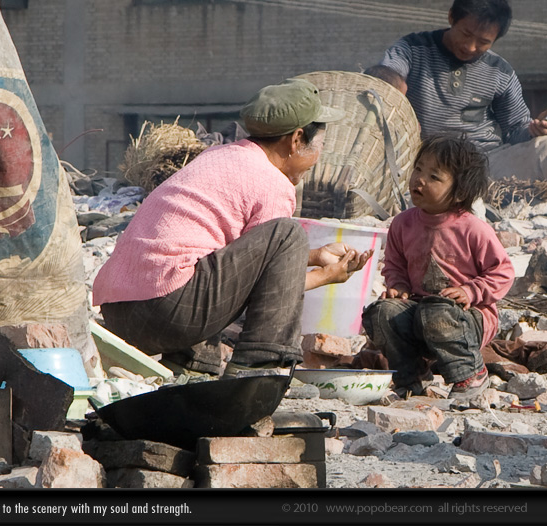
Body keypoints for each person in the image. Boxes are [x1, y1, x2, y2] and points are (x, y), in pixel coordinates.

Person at [93, 78, 373, 378]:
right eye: (319, 146)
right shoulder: (272, 183)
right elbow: (268, 286)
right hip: (167, 312)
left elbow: (245, 259)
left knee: (205, 255)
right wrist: (327, 276)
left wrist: (316, 255)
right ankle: (259, 368)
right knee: (288, 234)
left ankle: (192, 366)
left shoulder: (218, 156)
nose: (316, 160)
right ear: (296, 140)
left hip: (119, 313)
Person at [361, 134, 515, 400]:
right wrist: (398, 287)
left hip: (466, 318)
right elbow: (394, 266)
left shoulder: (473, 229)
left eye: (434, 177)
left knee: (437, 312)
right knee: (380, 313)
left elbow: (503, 271)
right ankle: (410, 377)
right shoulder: (402, 224)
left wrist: (471, 291)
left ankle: (470, 375)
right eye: (418, 169)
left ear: (460, 192)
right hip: (419, 312)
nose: (419, 179)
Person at [377, 0, 547, 180]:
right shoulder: (411, 49)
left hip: (486, 164)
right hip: (425, 164)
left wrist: (534, 131)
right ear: (451, 17)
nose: (470, 47)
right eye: (466, 34)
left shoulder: (500, 71)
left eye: (483, 42)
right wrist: (392, 86)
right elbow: (388, 77)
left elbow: (515, 129)